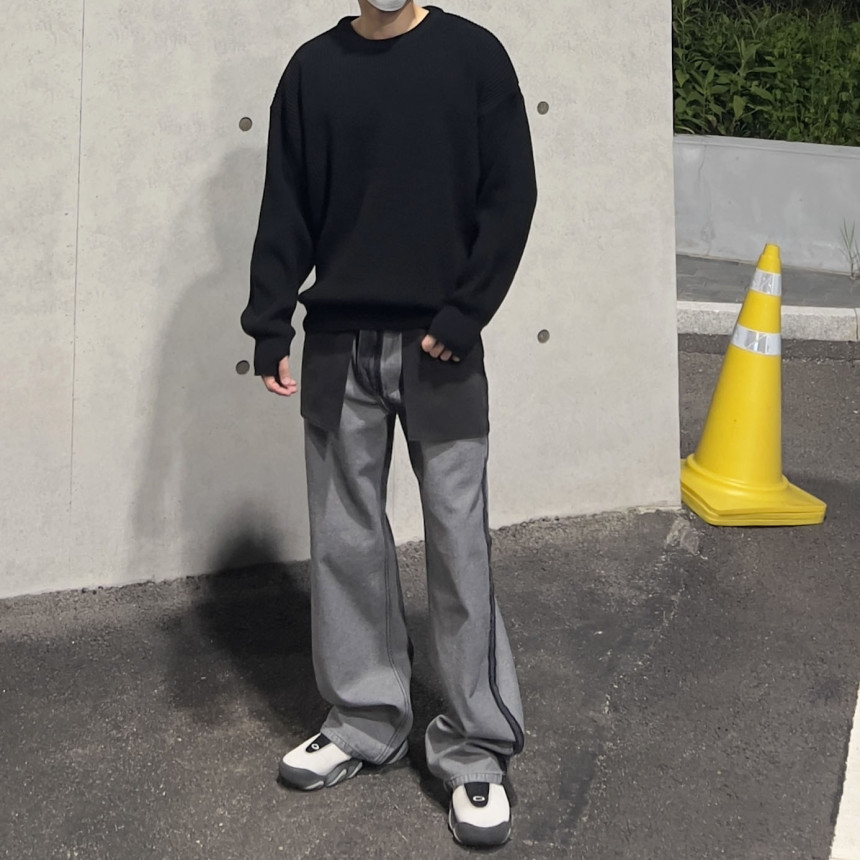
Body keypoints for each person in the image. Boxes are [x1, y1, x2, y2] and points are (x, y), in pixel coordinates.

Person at [241, 0, 537, 847]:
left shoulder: (473, 57)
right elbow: (287, 204)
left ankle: (476, 748)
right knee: (344, 538)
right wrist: (270, 323)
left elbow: (511, 195)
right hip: (337, 344)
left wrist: (466, 313)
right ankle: (365, 720)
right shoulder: (312, 70)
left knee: (458, 544)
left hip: (441, 346)